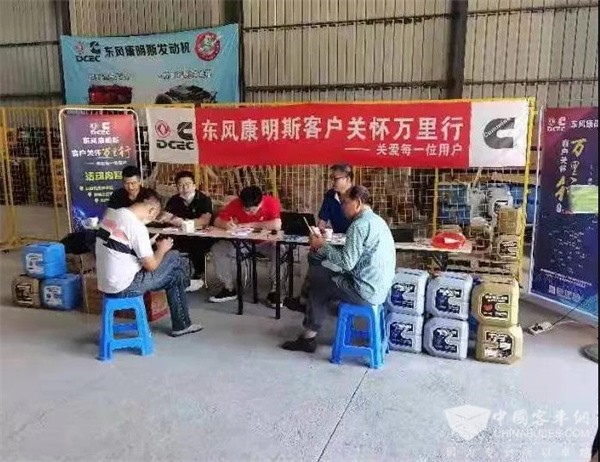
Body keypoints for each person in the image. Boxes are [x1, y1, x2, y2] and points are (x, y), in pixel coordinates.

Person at [282, 185, 396, 353]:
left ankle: (308, 335)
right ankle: (306, 303)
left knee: (319, 282)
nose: (342, 207)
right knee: (322, 271)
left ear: (357, 203)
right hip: (380, 288)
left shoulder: (359, 226)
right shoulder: (377, 221)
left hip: (365, 291)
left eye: (345, 203)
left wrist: (322, 245)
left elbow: (347, 263)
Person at [95, 188, 203, 337]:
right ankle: (189, 283)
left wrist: (150, 243)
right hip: (125, 286)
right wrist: (162, 249)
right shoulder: (136, 225)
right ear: (151, 209)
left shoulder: (113, 214)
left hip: (106, 283)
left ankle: (182, 324)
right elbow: (151, 266)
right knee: (175, 255)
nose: (152, 219)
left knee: (175, 276)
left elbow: (119, 247)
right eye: (155, 215)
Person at [284, 164, 354, 313]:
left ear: (348, 179)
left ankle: (314, 301)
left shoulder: (357, 197)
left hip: (353, 245)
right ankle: (307, 299)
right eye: (331, 178)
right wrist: (316, 233)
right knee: (312, 255)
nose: (332, 182)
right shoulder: (330, 196)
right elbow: (322, 222)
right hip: (335, 242)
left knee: (322, 262)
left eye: (336, 178)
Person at [209, 186, 282, 306]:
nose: (248, 212)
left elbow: (277, 225)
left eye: (252, 210)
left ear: (260, 202)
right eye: (245, 209)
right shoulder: (236, 203)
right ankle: (228, 288)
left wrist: (249, 224)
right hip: (244, 243)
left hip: (267, 243)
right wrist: (226, 225)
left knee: (281, 250)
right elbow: (217, 221)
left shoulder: (271, 202)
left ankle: (275, 290)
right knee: (218, 249)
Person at [158, 171, 213, 291]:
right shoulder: (174, 199)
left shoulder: (204, 199)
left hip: (200, 237)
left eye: (188, 184)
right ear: (177, 187)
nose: (185, 188)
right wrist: (168, 218)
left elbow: (204, 220)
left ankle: (196, 276)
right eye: (181, 185)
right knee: (164, 244)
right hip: (180, 236)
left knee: (197, 246)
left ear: (194, 185)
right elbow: (165, 215)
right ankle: (169, 277)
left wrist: (182, 222)